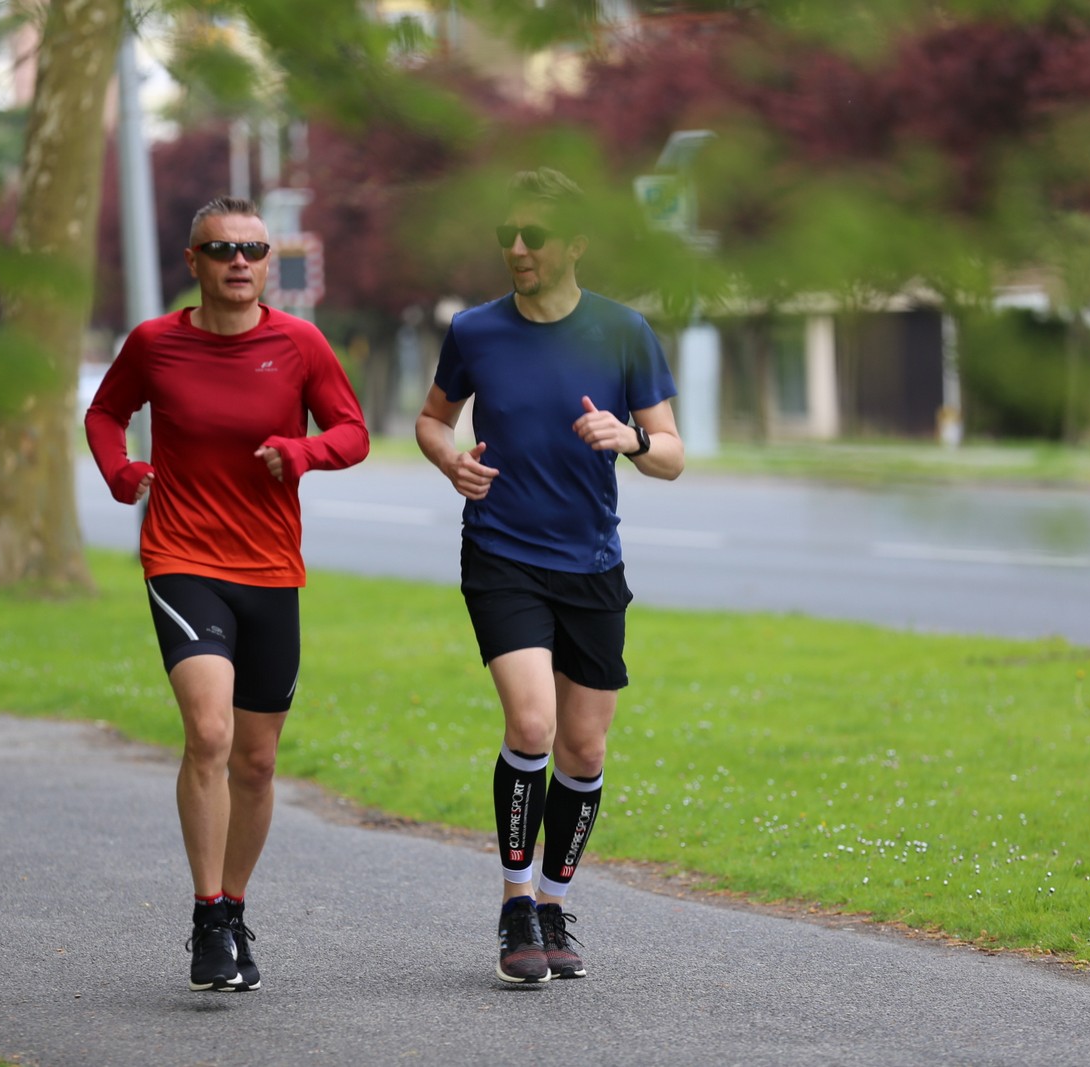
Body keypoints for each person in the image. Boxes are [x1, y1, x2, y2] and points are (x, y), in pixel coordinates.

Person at [85, 195, 369, 992]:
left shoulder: (300, 343)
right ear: (194, 263)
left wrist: (303, 452)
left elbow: (354, 431)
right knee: (208, 731)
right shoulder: (155, 344)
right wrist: (121, 473)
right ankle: (208, 914)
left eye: (252, 248)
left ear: (268, 262)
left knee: (257, 756)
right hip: (182, 557)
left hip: (272, 569)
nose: (238, 261)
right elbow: (106, 414)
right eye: (221, 249)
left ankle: (236, 903)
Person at [415, 167, 685, 984]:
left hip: (592, 563)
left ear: (576, 244)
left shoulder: (624, 331)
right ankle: (515, 901)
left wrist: (629, 441)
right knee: (531, 726)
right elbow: (431, 419)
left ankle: (558, 903)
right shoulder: (474, 330)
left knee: (584, 744)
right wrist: (449, 459)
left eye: (534, 236)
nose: (519, 248)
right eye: (507, 236)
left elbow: (671, 452)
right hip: (501, 553)